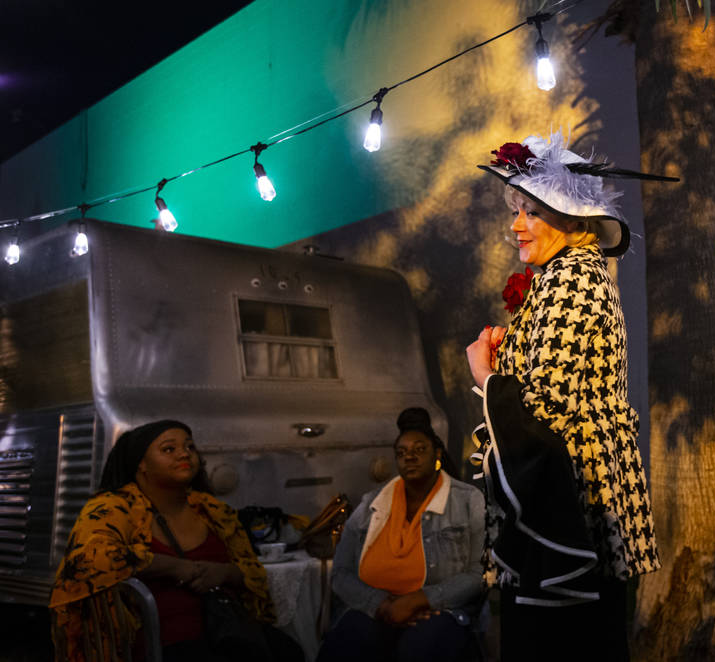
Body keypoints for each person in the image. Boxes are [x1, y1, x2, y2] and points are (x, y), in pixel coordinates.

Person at [465, 132, 666, 661]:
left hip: (569, 516)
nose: (515, 225)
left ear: (572, 221)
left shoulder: (572, 281)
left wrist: (486, 374)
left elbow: (545, 412)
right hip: (570, 508)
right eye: (517, 210)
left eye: (531, 212)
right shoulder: (563, 279)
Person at [50, 420, 302, 662]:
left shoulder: (212, 511)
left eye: (190, 446)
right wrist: (176, 567)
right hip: (161, 641)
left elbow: (252, 574)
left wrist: (224, 573)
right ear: (142, 465)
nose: (184, 454)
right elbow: (89, 559)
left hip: (228, 628)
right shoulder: (113, 508)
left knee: (290, 652)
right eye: (169, 449)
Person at [318, 407, 486, 662]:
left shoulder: (467, 501)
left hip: (440, 610)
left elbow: (481, 573)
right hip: (377, 610)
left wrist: (422, 600)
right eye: (402, 453)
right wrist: (382, 605)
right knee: (344, 643)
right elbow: (341, 573)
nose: (410, 457)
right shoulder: (372, 504)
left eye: (419, 450)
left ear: (437, 454)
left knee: (420, 647)